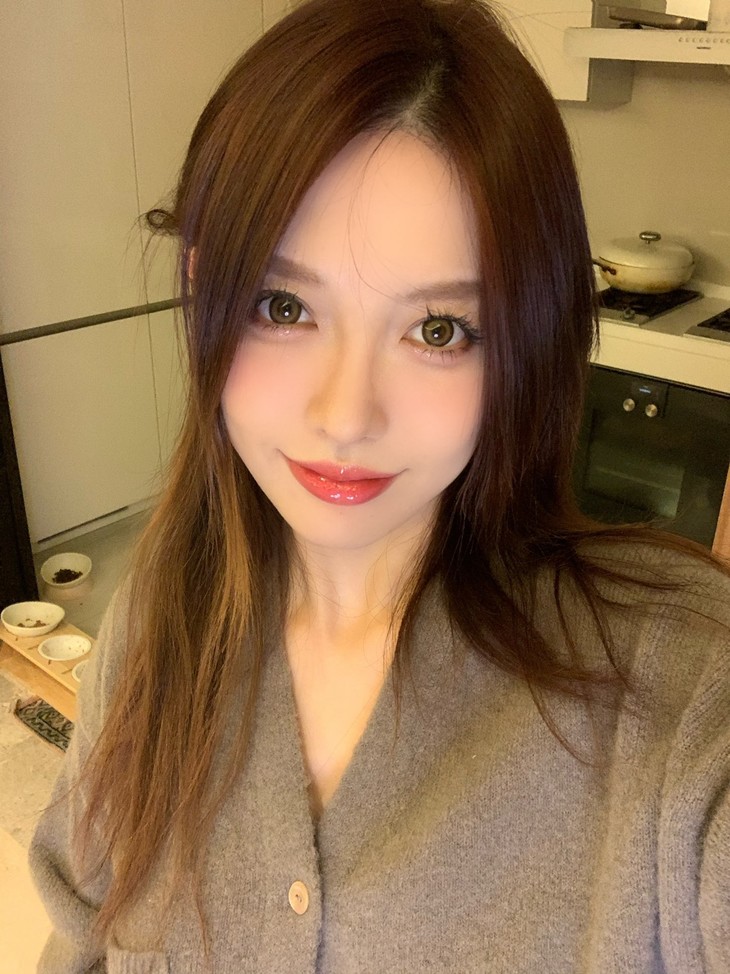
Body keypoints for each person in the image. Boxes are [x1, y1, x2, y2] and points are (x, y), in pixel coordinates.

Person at [29, 0, 730, 970]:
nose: (346, 414)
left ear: (519, 352)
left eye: (437, 330)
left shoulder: (677, 692)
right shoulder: (161, 616)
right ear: (200, 295)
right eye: (283, 306)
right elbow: (80, 937)